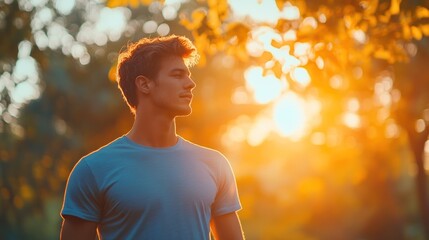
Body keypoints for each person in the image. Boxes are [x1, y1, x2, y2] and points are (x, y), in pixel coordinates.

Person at [60, 35, 244, 240]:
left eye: (188, 75)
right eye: (177, 75)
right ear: (144, 85)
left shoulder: (215, 164)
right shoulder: (93, 170)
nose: (190, 83)